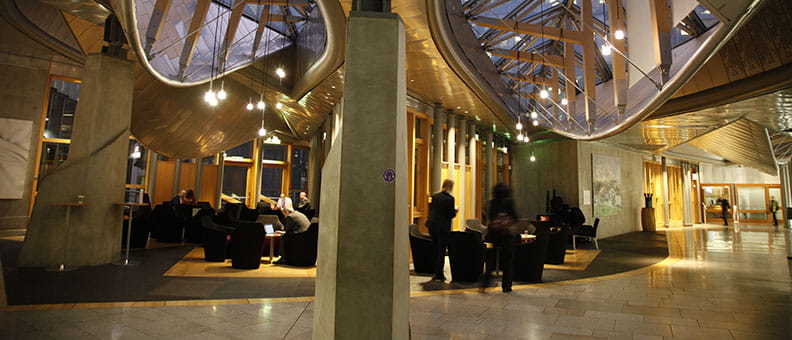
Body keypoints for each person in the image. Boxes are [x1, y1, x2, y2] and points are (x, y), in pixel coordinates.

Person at [481, 183, 518, 293]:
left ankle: (485, 282)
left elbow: (490, 217)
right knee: (508, 261)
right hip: (506, 236)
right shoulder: (509, 202)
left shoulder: (492, 202)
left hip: (494, 234)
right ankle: (506, 286)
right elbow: (515, 216)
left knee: (491, 260)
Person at [425, 179, 457, 282]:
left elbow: (432, 209)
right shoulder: (450, 199)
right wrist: (456, 210)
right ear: (450, 187)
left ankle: (434, 272)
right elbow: (451, 214)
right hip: (443, 228)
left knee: (435, 249)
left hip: (432, 226)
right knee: (441, 250)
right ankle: (439, 274)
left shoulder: (435, 196)